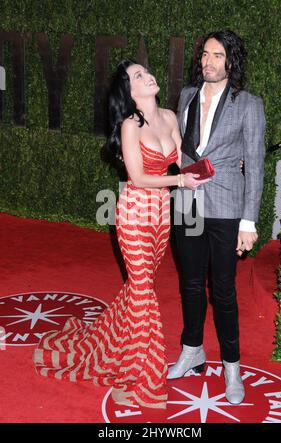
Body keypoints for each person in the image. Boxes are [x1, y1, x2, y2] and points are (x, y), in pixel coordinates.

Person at [32, 59, 209, 409]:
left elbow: (182, 164)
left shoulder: (171, 118)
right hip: (134, 213)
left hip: (161, 216)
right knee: (144, 294)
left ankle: (108, 344)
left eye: (147, 71)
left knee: (138, 291)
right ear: (129, 92)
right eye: (138, 77)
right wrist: (179, 181)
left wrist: (209, 169)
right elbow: (140, 177)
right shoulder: (130, 125)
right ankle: (139, 379)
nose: (148, 76)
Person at [167, 30, 266, 405]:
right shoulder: (187, 96)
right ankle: (192, 350)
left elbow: (254, 165)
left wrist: (249, 222)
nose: (208, 61)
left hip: (226, 207)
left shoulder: (249, 104)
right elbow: (181, 149)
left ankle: (232, 367)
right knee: (190, 284)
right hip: (188, 202)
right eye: (205, 54)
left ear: (231, 62)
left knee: (222, 291)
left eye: (218, 56)